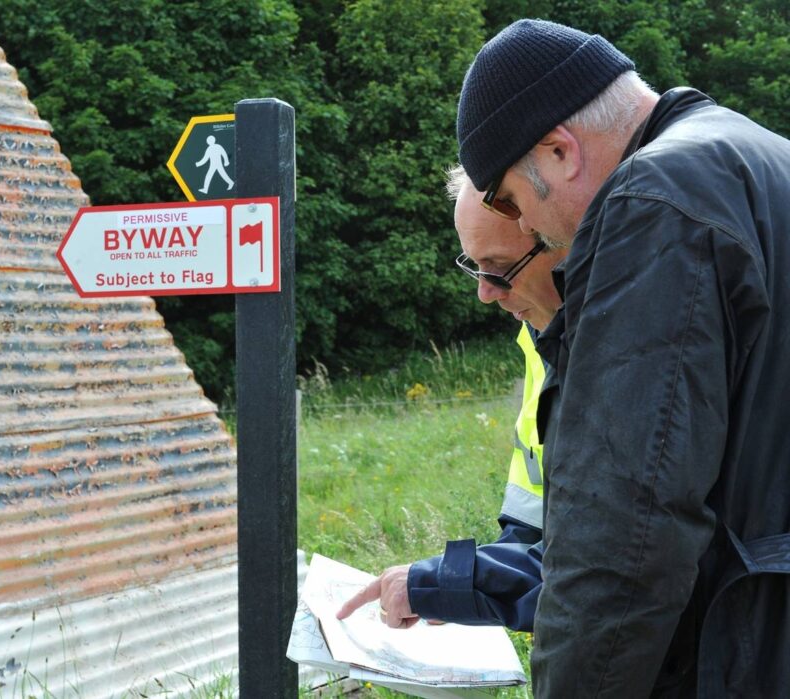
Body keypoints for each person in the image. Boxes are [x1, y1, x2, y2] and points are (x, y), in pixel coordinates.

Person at [455, 18, 790, 697]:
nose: (529, 231)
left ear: (559, 150)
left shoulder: (652, 204)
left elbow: (625, 536)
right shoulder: (761, 157)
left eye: (514, 203)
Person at [337, 170, 566, 632]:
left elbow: (605, 573)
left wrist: (452, 584)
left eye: (499, 270)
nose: (484, 293)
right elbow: (536, 528)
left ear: (565, 240)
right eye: (475, 267)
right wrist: (460, 584)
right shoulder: (539, 331)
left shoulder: (623, 350)